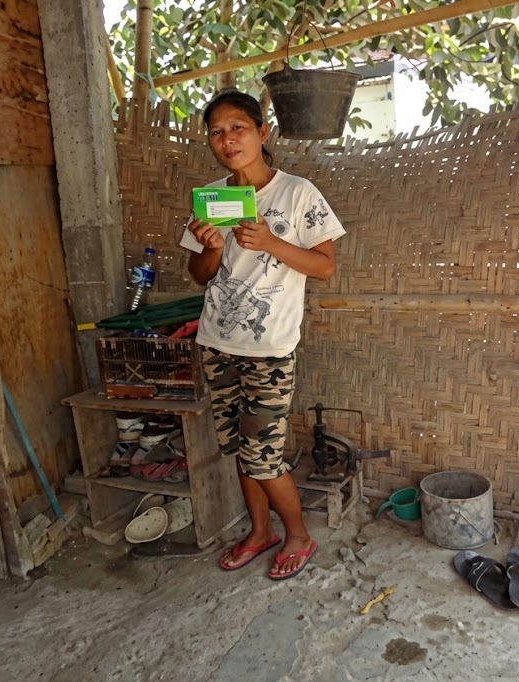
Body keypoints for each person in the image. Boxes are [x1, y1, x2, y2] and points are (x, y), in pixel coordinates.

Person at [179, 88, 346, 580]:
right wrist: (212, 247)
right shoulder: (213, 199)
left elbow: (325, 267)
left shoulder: (297, 193)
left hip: (269, 350)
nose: (227, 139)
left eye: (238, 128)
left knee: (264, 457)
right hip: (217, 344)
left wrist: (271, 241)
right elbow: (200, 275)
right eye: (217, 132)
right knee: (238, 449)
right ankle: (259, 532)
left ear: (261, 132)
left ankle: (298, 535)